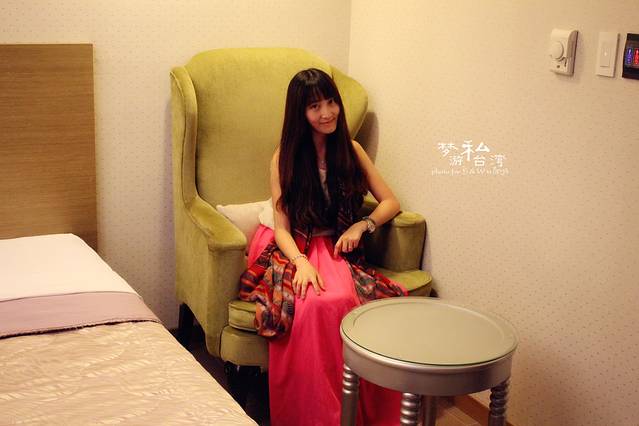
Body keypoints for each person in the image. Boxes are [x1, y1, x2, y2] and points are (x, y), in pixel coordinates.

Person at [239, 68, 406, 426]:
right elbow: (282, 228)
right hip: (292, 243)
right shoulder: (284, 157)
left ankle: (353, 409)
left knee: (346, 301)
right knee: (313, 304)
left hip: (332, 244)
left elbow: (391, 202)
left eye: (331, 102)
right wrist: (300, 262)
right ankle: (317, 415)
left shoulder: (351, 150)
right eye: (315, 106)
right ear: (300, 112)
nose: (327, 113)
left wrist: (363, 225)